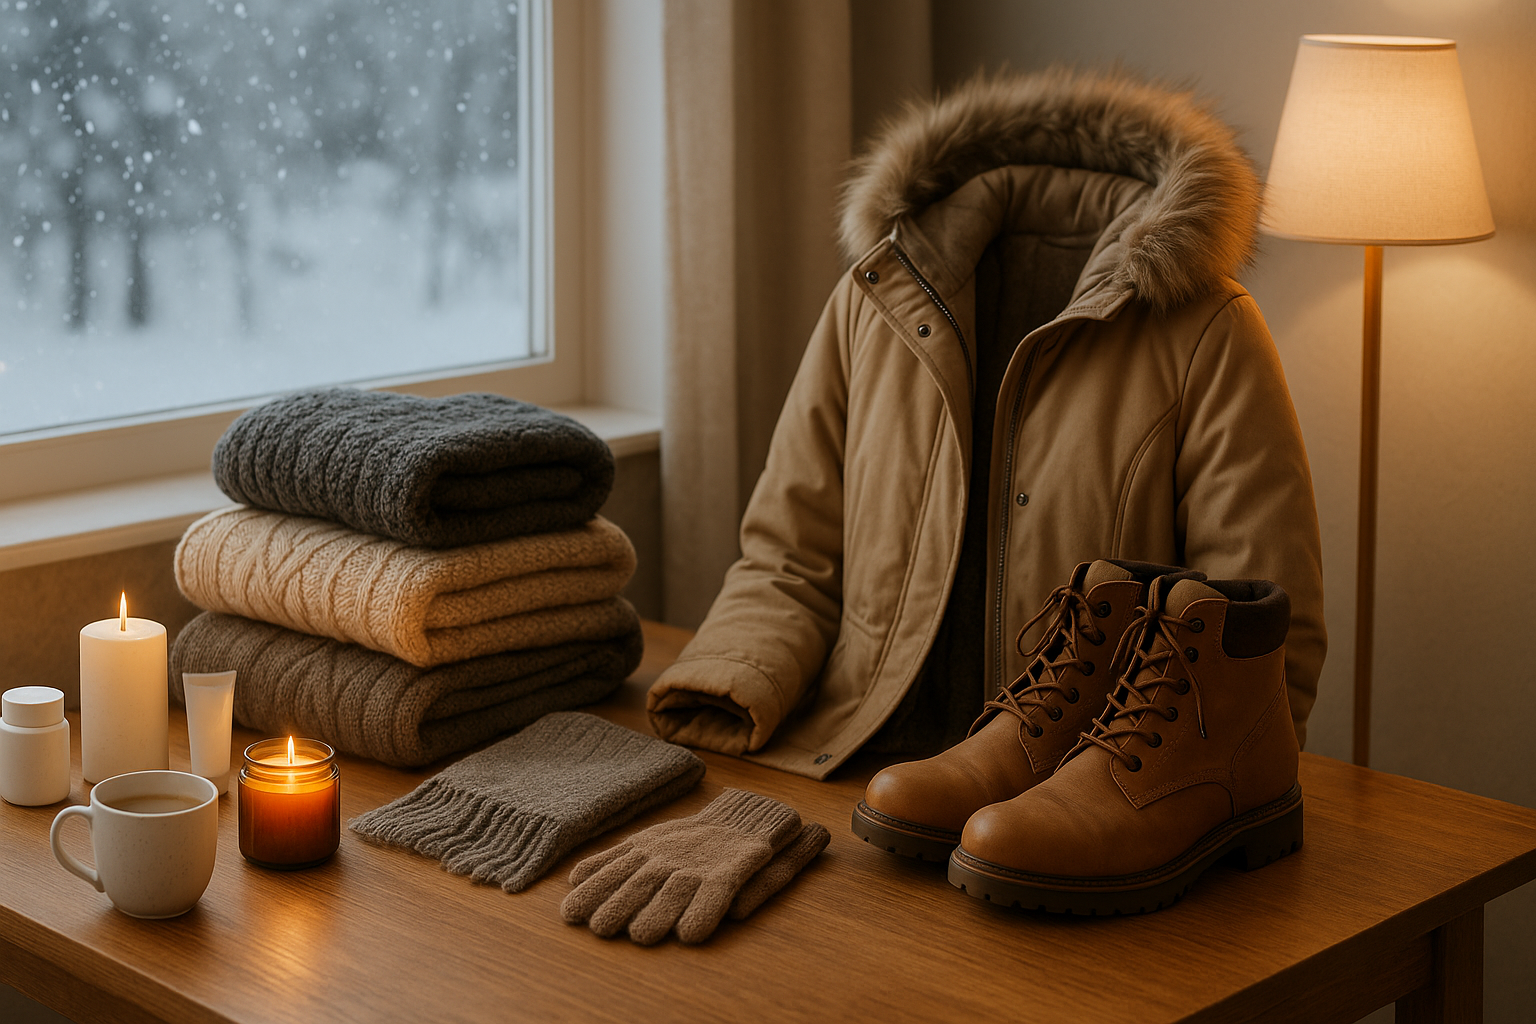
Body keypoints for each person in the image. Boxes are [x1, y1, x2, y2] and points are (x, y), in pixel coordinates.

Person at [645, 68, 1326, 786]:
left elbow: (1254, 621)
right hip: (867, 755)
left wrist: (1199, 797)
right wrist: (730, 676)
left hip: (1090, 784)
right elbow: (790, 556)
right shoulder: (875, 301)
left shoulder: (1206, 328)